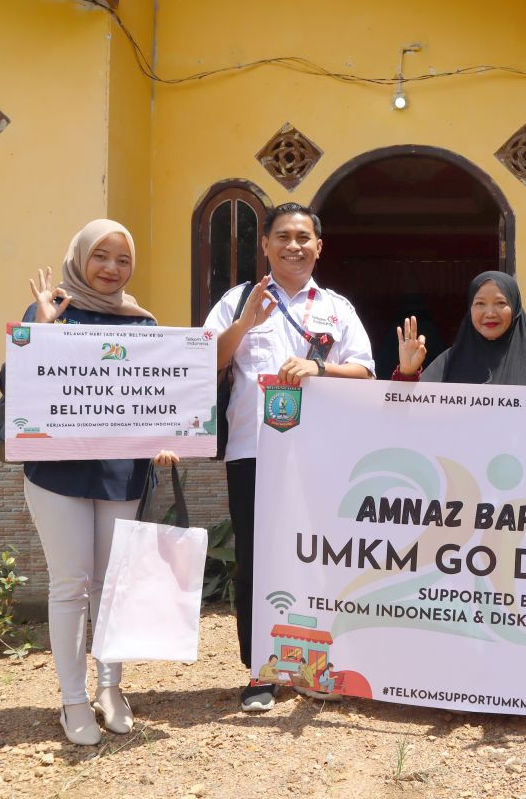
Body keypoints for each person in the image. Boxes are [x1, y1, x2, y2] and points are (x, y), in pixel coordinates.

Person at [4, 219, 179, 746]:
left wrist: (170, 437)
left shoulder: (142, 324)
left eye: (123, 260)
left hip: (121, 473)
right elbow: (16, 387)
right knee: (70, 585)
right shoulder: (51, 311)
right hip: (58, 474)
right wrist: (42, 326)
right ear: (81, 257)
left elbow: (161, 395)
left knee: (111, 587)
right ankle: (72, 700)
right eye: (101, 256)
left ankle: (110, 689)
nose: (111, 268)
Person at [205, 202, 374, 712]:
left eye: (304, 237)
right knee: (255, 563)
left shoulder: (338, 308)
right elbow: (204, 362)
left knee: (320, 560)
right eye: (282, 236)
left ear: (319, 247)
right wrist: (244, 325)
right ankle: (260, 672)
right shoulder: (238, 301)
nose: (293, 245)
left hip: (319, 459)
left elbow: (366, 372)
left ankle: (316, 667)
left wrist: (320, 369)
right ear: (265, 245)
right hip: (252, 454)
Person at [392, 271, 526, 390]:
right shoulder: (449, 363)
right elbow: (403, 416)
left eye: (500, 303)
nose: (490, 313)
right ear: (470, 310)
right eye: (480, 303)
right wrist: (407, 373)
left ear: (515, 309)